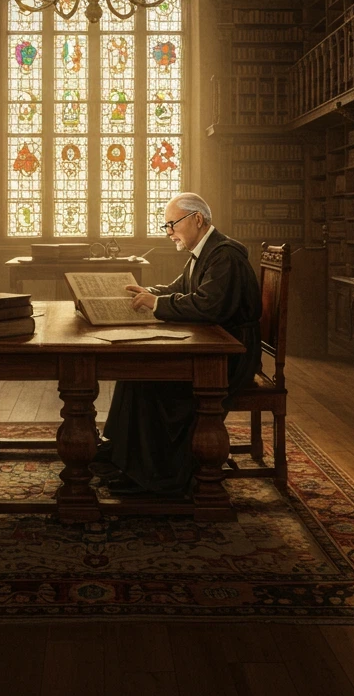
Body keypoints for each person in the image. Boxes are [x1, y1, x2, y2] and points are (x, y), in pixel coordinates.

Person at [95, 192, 262, 497]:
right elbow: (180, 289)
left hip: (232, 357)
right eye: (166, 225)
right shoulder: (205, 252)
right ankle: (121, 459)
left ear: (197, 220)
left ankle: (155, 478)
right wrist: (148, 292)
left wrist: (155, 302)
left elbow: (207, 306)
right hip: (215, 349)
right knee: (134, 374)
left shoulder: (224, 256)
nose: (169, 231)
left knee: (148, 383)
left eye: (172, 223)